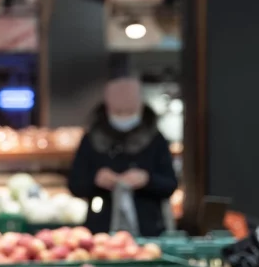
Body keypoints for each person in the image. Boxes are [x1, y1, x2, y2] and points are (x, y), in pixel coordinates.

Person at [67, 75, 178, 237]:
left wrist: (147, 179)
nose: (124, 117)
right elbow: (75, 184)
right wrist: (96, 180)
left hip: (148, 229)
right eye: (119, 112)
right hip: (101, 230)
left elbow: (170, 184)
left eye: (129, 111)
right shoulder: (92, 138)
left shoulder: (155, 139)